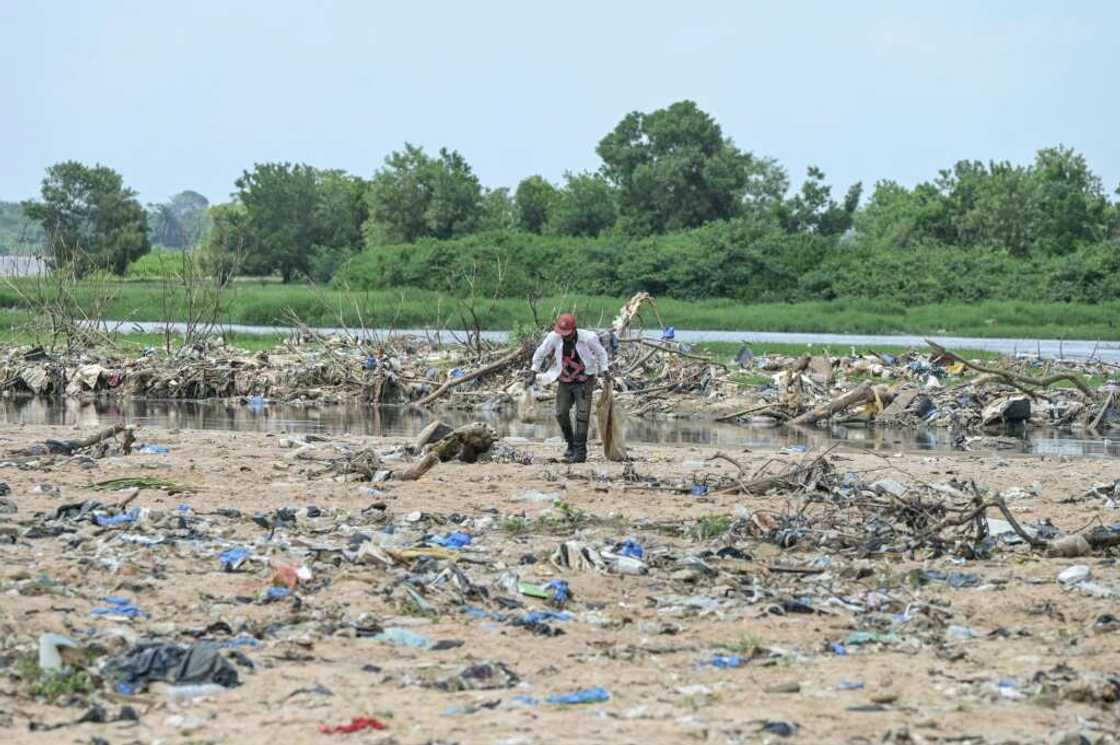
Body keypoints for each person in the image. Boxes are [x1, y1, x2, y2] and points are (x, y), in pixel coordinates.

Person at [530, 313, 610, 462]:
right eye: (562, 334)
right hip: (565, 380)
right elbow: (541, 352)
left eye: (567, 334)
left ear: (574, 329)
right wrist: (533, 371)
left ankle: (580, 452)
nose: (565, 337)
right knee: (560, 413)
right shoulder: (553, 337)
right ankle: (571, 444)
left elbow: (601, 353)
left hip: (585, 379)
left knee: (582, 415)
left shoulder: (589, 338)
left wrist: (605, 370)